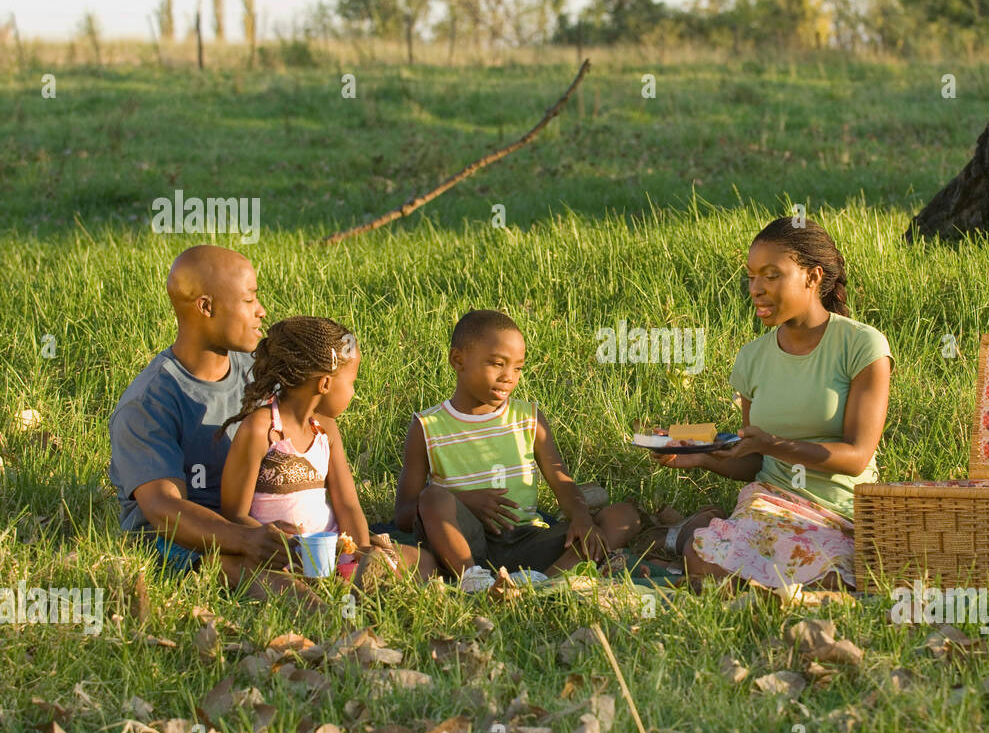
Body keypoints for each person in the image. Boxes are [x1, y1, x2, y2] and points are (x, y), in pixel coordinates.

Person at [653, 217, 893, 590]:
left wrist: (774, 444)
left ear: (812, 277)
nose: (756, 289)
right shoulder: (752, 357)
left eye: (771, 275)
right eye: (751, 277)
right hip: (769, 505)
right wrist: (698, 455)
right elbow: (756, 461)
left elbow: (857, 456)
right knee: (705, 557)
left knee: (827, 578)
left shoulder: (862, 346)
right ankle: (708, 538)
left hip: (838, 513)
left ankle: (712, 544)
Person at [394, 309, 642, 591]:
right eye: (497, 364)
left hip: (525, 541)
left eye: (518, 367)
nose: (508, 377)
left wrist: (582, 518)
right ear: (458, 360)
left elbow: (561, 482)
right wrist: (466, 501)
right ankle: (473, 579)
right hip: (462, 544)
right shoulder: (427, 426)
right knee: (434, 497)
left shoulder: (529, 418)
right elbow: (404, 514)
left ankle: (541, 581)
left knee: (623, 517)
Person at [108, 245, 306, 592]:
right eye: (249, 300)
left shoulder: (258, 378)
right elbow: (164, 508)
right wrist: (245, 539)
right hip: (180, 541)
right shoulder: (149, 403)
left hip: (251, 524)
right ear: (206, 307)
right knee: (250, 572)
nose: (261, 311)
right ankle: (331, 629)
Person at [219, 316, 430, 582]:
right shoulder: (261, 429)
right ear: (325, 384)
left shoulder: (326, 429)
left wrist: (360, 551)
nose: (353, 393)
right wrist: (278, 543)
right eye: (352, 382)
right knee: (277, 580)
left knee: (423, 560)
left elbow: (348, 504)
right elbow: (233, 513)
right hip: (283, 555)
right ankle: (359, 581)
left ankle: (366, 574)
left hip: (333, 548)